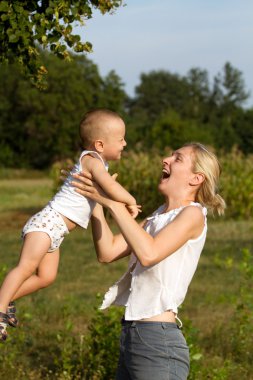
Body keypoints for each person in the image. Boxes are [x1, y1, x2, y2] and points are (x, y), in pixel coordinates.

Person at [71, 142, 226, 380]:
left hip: (158, 341)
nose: (166, 160)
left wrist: (113, 203)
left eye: (177, 159)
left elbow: (149, 253)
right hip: (133, 336)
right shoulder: (157, 216)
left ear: (196, 179)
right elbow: (107, 252)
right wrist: (96, 203)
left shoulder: (193, 214)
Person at [0, 109, 140, 341]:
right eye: (121, 139)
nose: (125, 143)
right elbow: (110, 189)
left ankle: (6, 298)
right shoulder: (91, 160)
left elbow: (103, 192)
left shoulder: (97, 164)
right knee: (25, 268)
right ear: (100, 144)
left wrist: (116, 199)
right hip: (47, 223)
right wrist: (130, 199)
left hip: (57, 232)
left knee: (46, 277)